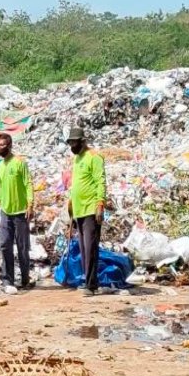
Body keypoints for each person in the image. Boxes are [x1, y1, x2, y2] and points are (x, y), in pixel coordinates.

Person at [0, 133, 34, 292]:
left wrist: (30, 204)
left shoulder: (19, 163)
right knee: (5, 245)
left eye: (2, 145)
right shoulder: (0, 166)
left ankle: (25, 279)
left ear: (9, 145)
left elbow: (28, 183)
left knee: (22, 247)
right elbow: (1, 187)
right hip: (6, 212)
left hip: (21, 212)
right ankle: (8, 280)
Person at [66, 126, 106, 296]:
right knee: (83, 248)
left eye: (74, 142)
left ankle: (90, 284)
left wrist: (100, 204)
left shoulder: (94, 157)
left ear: (82, 142)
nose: (72, 145)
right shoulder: (76, 159)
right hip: (78, 210)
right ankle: (90, 282)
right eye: (70, 142)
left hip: (91, 209)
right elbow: (76, 184)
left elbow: (100, 181)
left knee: (90, 247)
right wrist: (70, 204)